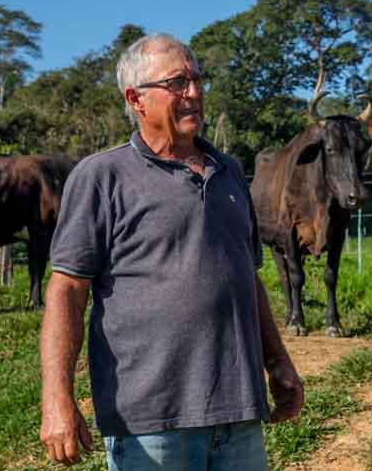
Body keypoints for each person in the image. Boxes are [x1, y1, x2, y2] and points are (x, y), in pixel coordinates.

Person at [39, 33, 304, 470]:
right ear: (136, 99)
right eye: (177, 83)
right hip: (151, 423)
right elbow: (67, 288)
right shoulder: (102, 177)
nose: (194, 93)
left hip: (238, 412)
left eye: (197, 80)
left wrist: (277, 360)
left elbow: (246, 277)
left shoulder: (230, 173)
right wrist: (56, 399)